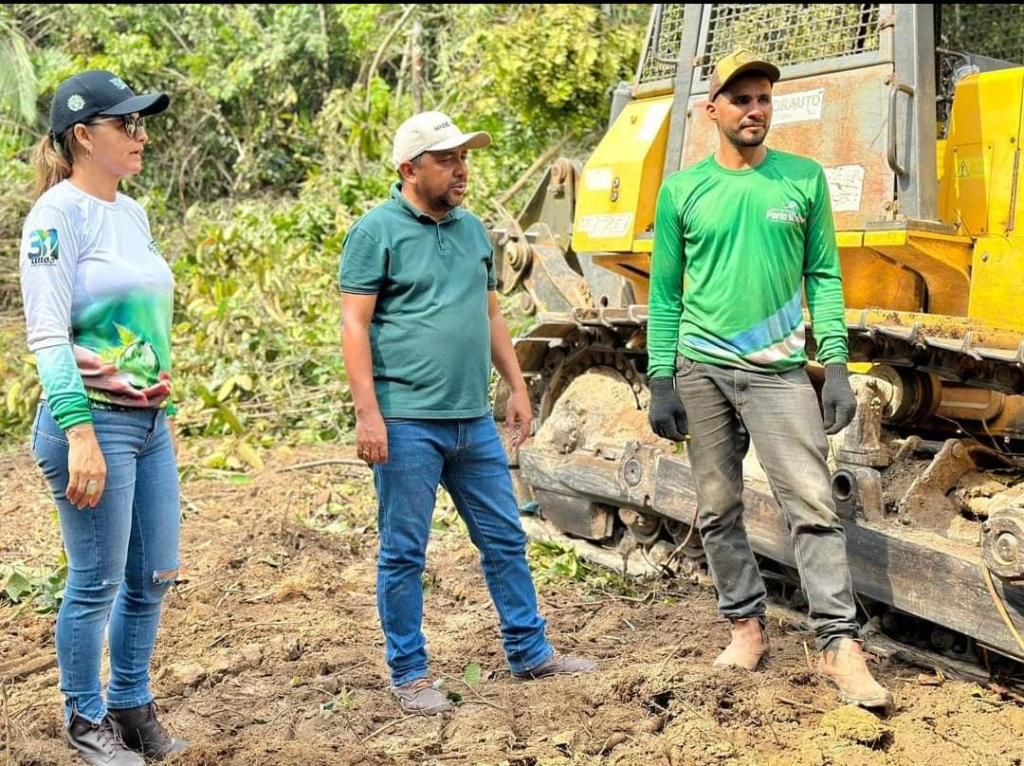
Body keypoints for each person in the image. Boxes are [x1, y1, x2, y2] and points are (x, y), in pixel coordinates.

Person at [647, 50, 892, 709]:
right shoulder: (682, 190)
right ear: (712, 111)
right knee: (719, 507)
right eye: (741, 99)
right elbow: (665, 294)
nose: (755, 110)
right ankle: (745, 627)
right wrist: (660, 377)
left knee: (812, 504)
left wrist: (835, 366)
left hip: (781, 374)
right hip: (700, 371)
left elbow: (824, 279)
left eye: (763, 99)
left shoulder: (802, 180)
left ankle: (840, 645)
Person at [339, 111, 596, 715]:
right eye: (447, 159)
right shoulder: (375, 232)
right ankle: (409, 673)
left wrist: (516, 385)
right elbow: (354, 323)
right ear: (409, 170)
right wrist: (367, 414)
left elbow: (490, 314)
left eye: (464, 157)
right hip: (405, 420)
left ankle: (529, 651)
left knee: (506, 538)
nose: (462, 169)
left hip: (471, 418)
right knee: (404, 551)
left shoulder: (473, 231)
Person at [19, 70, 188, 764]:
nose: (141, 134)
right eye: (128, 124)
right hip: (91, 423)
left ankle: (129, 703)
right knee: (96, 581)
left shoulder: (132, 212)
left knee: (155, 574)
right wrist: (81, 432)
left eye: (144, 122)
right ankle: (85, 720)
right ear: (84, 136)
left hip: (150, 421)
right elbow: (48, 335)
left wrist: (159, 403)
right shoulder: (55, 218)